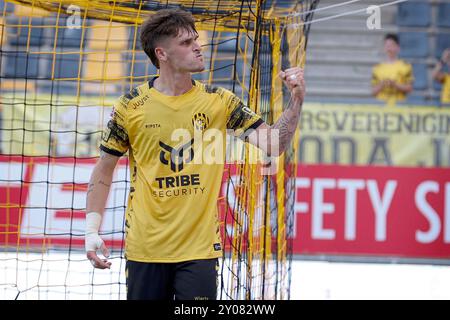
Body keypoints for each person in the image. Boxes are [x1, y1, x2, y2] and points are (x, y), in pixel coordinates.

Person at [84, 8, 305, 300]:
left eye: (196, 40)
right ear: (161, 53)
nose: (198, 47)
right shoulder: (130, 107)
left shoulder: (220, 102)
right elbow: (104, 168)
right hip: (145, 248)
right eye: (186, 43)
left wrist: (296, 99)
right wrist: (91, 230)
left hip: (199, 251)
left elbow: (274, 144)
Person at [371, 34, 413, 107]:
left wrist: (395, 84)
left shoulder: (405, 66)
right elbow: (373, 91)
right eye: (387, 45)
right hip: (381, 106)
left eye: (391, 45)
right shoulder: (377, 68)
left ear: (398, 47)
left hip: (399, 105)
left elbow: (409, 89)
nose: (389, 48)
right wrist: (382, 84)